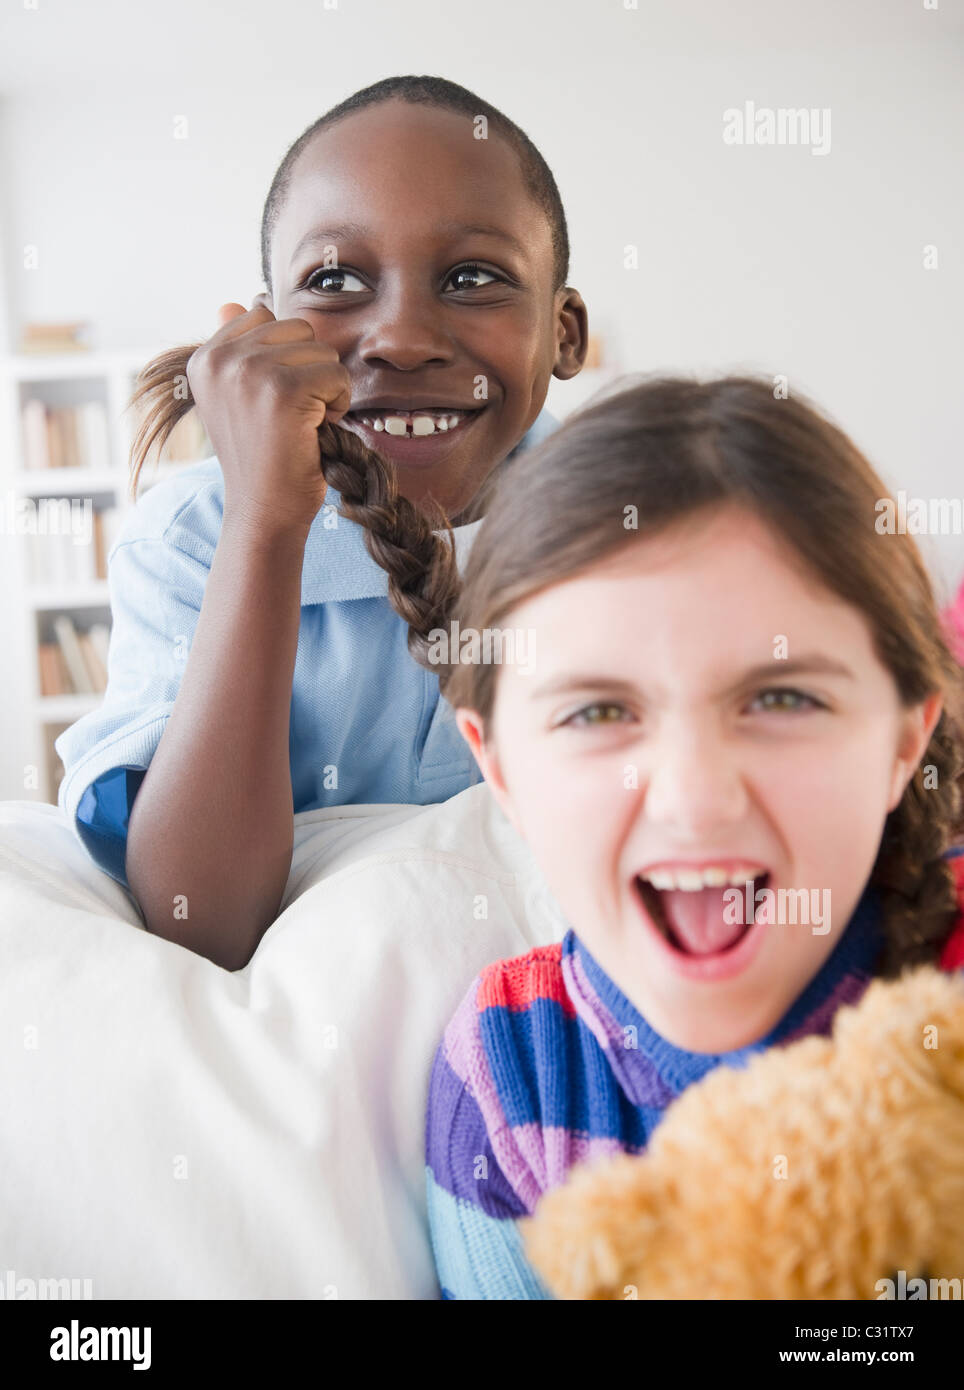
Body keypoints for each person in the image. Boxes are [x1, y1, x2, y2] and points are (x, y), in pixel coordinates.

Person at [418, 374, 964, 1298]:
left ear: (904, 741)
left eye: (781, 698)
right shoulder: (514, 1073)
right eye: (599, 711)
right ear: (500, 769)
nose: (694, 799)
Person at [55, 75, 588, 970]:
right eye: (335, 280)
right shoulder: (191, 538)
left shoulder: (632, 530)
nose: (402, 338)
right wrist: (264, 524)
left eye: (473, 278)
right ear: (266, 330)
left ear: (564, 332)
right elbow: (201, 920)